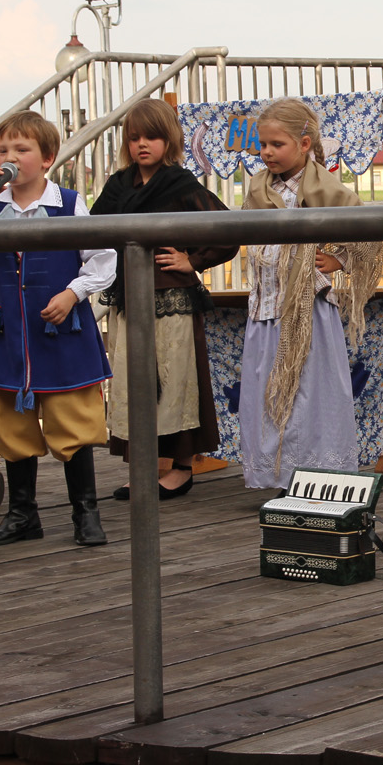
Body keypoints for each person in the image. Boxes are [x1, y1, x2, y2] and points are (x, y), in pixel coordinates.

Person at [0, 111, 114, 547]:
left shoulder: (68, 204)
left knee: (73, 420)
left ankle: (86, 513)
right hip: (8, 334)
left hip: (60, 333)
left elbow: (102, 259)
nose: (11, 157)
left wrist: (73, 293)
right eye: (4, 149)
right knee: (12, 425)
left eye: (22, 149)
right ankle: (22, 515)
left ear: (47, 158)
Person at [90, 98, 237, 500]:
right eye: (134, 137)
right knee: (133, 381)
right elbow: (91, 231)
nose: (142, 144)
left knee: (176, 382)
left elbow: (228, 230)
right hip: (128, 297)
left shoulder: (181, 184)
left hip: (172, 299)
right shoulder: (119, 186)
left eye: (152, 137)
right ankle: (146, 467)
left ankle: (182, 469)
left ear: (169, 140)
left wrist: (193, 260)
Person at [239, 98, 382, 490]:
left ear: (304, 144)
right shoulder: (258, 188)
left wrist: (338, 259)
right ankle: (279, 475)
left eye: (277, 144)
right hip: (267, 309)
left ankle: (318, 475)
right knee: (269, 390)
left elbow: (369, 233)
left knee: (311, 394)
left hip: (308, 312)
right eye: (262, 145)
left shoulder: (327, 189)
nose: (267, 152)